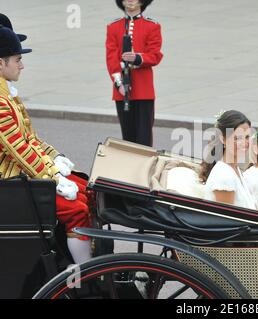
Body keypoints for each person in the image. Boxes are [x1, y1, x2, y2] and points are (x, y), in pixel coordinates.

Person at [0, 26, 91, 264]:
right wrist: (52, 176)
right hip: (8, 181)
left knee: (84, 189)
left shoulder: (6, 95)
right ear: (1, 63)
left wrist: (54, 157)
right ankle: (85, 274)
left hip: (18, 174)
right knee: (77, 210)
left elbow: (30, 137)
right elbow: (18, 148)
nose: (22, 65)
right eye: (18, 60)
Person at [106, 0, 163, 147]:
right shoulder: (113, 27)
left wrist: (138, 58)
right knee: (128, 136)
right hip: (122, 90)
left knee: (144, 137)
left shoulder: (152, 26)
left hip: (143, 90)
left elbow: (155, 55)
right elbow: (111, 58)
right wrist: (119, 83)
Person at [199, 110, 256, 209]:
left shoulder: (234, 168)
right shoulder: (224, 176)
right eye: (237, 138)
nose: (244, 142)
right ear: (223, 139)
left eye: (247, 137)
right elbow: (229, 222)